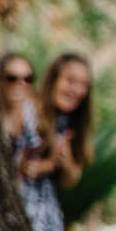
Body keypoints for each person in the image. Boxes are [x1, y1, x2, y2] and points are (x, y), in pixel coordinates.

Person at [0, 54, 69, 231]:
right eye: (12, 78)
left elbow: (56, 159)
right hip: (4, 210)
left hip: (41, 210)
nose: (20, 85)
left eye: (27, 79)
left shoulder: (37, 116)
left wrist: (44, 165)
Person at [41, 52, 94, 194]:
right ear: (53, 80)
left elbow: (71, 179)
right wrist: (47, 164)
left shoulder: (69, 121)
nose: (76, 90)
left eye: (84, 84)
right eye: (70, 81)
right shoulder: (29, 112)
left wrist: (67, 162)